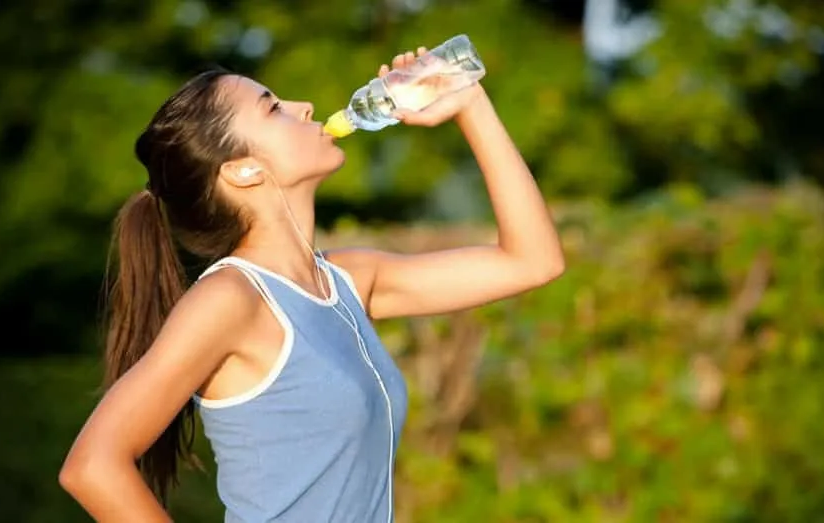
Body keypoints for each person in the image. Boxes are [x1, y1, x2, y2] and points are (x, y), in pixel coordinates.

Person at [58, 46, 565, 522]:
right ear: (243, 171)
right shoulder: (231, 299)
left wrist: (469, 104)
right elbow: (92, 466)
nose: (303, 107)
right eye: (272, 107)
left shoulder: (349, 281)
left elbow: (532, 260)